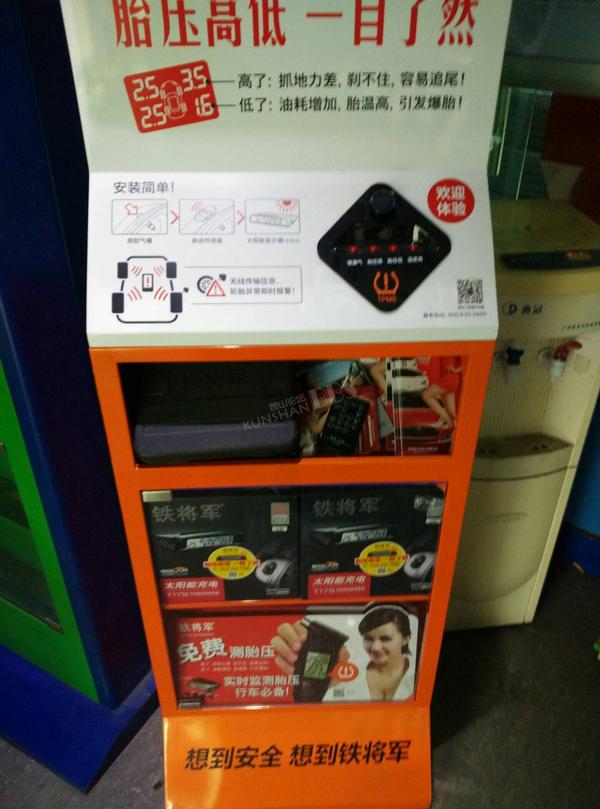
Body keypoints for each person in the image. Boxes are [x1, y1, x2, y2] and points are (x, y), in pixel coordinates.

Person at [271, 605, 414, 702]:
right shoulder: (346, 670)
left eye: (386, 639)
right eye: (369, 639)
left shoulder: (418, 675)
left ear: (406, 639)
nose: (376, 647)